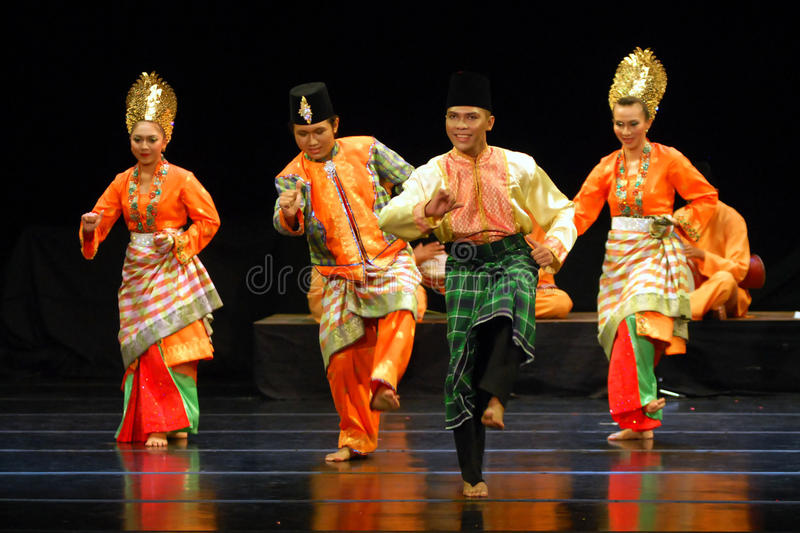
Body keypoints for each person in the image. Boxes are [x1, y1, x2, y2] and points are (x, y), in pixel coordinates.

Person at [379, 71, 576, 498]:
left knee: (510, 304)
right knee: (461, 367)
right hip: (464, 263)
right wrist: (427, 211)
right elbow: (387, 218)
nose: (461, 126)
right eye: (453, 116)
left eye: (471, 117)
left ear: (490, 121)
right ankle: (473, 475)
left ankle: (498, 398)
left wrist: (554, 246)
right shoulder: (434, 171)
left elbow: (562, 210)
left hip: (511, 256)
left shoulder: (519, 165)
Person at [571, 48, 718, 441]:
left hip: (657, 250)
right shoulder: (607, 166)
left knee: (642, 321)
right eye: (619, 124)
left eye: (633, 123)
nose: (625, 131)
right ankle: (637, 420)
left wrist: (678, 219)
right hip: (619, 255)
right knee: (625, 331)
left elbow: (705, 198)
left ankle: (645, 405)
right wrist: (550, 241)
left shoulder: (670, 160)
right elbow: (580, 211)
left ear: (649, 120)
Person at [273, 82, 420, 463]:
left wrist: (408, 213)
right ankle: (355, 438)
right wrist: (289, 211)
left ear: (335, 124)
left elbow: (414, 180)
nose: (311, 140)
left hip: (388, 255)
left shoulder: (367, 148)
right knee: (340, 356)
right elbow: (286, 221)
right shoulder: (292, 176)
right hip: (338, 274)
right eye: (302, 134)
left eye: (318, 131)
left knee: (404, 305)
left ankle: (384, 379)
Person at [80, 72, 222, 447]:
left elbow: (209, 220)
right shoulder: (121, 181)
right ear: (130, 141)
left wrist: (179, 241)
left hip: (172, 266)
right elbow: (102, 218)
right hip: (138, 270)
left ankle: (176, 421)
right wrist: (90, 225)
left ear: (165, 140)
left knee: (171, 346)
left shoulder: (182, 178)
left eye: (151, 139)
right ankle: (156, 421)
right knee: (145, 345)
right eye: (137, 139)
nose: (144, 146)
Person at [675, 200, 752, 320]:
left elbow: (739, 269)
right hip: (688, 290)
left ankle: (678, 309)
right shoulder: (680, 217)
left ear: (713, 192)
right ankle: (709, 308)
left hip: (722, 289)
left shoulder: (731, 218)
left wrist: (704, 256)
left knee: (725, 278)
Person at [524, 222, 573, 318]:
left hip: (535, 291)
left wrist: (551, 249)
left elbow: (567, 220)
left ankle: (501, 310)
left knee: (560, 303)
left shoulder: (548, 209)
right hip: (497, 286)